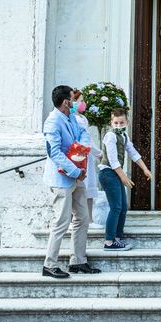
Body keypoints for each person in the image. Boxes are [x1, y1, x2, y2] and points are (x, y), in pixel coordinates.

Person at [42, 85, 101, 278]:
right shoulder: (52, 122)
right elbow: (54, 152)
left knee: (82, 217)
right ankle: (49, 264)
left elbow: (83, 134)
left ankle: (78, 261)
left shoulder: (71, 118)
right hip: (62, 178)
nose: (75, 102)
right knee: (61, 220)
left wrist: (82, 147)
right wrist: (75, 170)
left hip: (77, 176)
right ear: (66, 102)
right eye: (72, 99)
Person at [98, 108, 152, 250]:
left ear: (127, 122)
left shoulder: (124, 136)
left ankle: (117, 237)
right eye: (115, 123)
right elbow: (113, 160)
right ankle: (109, 241)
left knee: (122, 207)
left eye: (121, 122)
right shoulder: (110, 136)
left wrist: (145, 169)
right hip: (108, 173)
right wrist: (124, 178)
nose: (118, 125)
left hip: (116, 174)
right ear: (111, 122)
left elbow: (133, 153)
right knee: (115, 207)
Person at [71, 89, 103, 228]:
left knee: (90, 185)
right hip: (79, 155)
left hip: (87, 156)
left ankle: (89, 219)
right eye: (81, 101)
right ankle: (77, 218)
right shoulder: (74, 120)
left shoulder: (83, 118)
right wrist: (99, 153)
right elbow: (86, 140)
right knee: (81, 186)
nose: (84, 103)